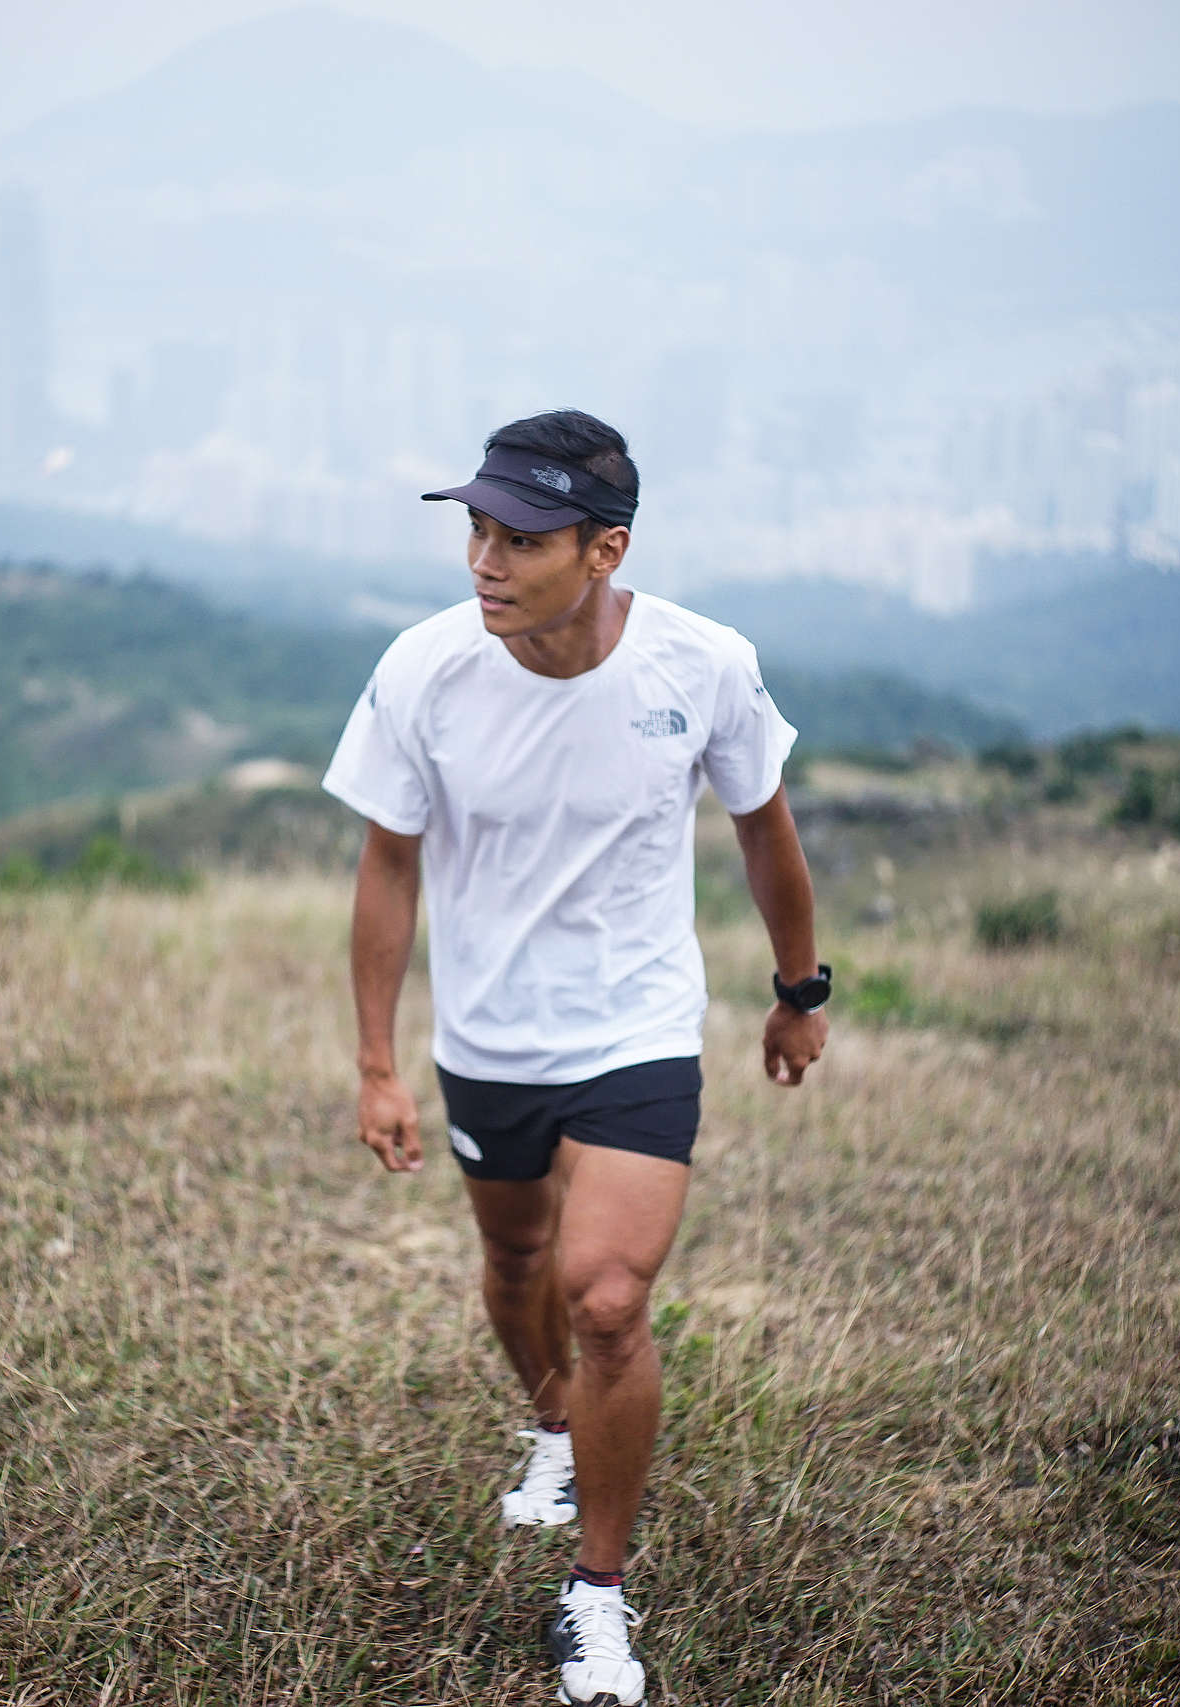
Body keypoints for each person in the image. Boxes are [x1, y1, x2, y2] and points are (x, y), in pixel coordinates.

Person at [321, 409, 831, 1706]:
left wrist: (797, 992)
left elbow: (765, 834)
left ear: (605, 549)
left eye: (522, 539)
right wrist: (379, 1065)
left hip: (638, 1028)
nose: (486, 561)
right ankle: (553, 1422)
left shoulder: (702, 665)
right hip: (490, 1037)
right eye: (478, 531)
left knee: (606, 1298)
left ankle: (597, 1596)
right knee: (517, 1267)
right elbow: (388, 867)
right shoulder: (426, 670)